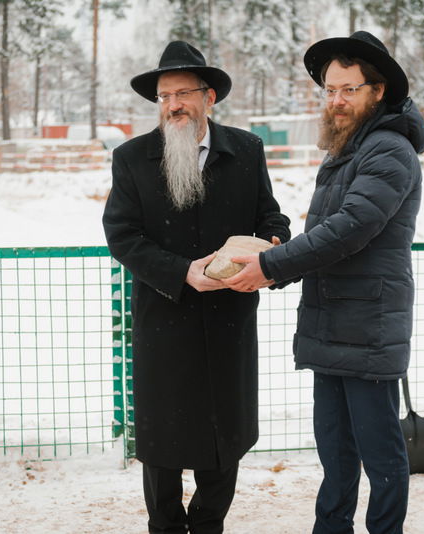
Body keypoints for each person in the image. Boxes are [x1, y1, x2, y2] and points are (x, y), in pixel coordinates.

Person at [225, 31, 424, 534]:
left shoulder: (389, 150)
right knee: (336, 453)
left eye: (349, 89)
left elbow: (352, 227)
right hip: (330, 322)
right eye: (330, 90)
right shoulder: (345, 152)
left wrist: (273, 267)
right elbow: (324, 235)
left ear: (378, 91)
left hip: (369, 325)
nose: (336, 100)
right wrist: (274, 258)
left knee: (381, 456)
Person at [101, 41, 290, 534]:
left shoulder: (245, 150)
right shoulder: (133, 158)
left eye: (184, 93)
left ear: (209, 98)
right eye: (165, 96)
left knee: (223, 437)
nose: (173, 105)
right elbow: (122, 236)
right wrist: (181, 272)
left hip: (230, 321)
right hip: (164, 321)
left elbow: (269, 213)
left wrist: (272, 244)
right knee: (162, 445)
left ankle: (209, 525)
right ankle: (164, 527)